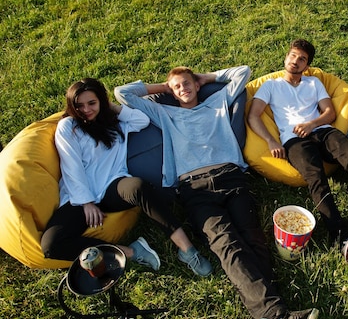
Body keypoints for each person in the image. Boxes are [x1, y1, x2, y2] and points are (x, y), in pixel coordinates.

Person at [115, 65, 318, 319]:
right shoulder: (165, 113)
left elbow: (243, 72)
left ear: (197, 84)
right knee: (227, 243)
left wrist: (206, 78)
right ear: (172, 92)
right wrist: (163, 87)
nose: (183, 89)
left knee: (253, 239)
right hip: (194, 188)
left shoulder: (217, 102)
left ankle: (270, 308)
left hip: (231, 179)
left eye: (187, 83)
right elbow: (122, 93)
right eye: (177, 87)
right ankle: (275, 314)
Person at [41, 78, 212, 277]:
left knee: (139, 187)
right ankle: (130, 251)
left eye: (92, 103)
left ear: (102, 101)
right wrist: (86, 202)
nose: (86, 110)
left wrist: (109, 107)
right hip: (78, 198)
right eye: (79, 105)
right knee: (51, 245)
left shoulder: (116, 123)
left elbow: (142, 120)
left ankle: (187, 250)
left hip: (112, 187)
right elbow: (72, 166)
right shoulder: (68, 126)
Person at [247, 39, 348, 266]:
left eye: (302, 58)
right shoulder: (271, 86)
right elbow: (253, 115)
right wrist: (272, 141)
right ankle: (340, 236)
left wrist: (312, 124)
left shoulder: (313, 83)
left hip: (323, 131)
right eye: (293, 55)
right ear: (286, 57)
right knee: (316, 178)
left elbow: (330, 112)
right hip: (293, 140)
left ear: (307, 65)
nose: (295, 61)